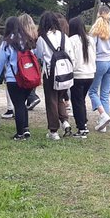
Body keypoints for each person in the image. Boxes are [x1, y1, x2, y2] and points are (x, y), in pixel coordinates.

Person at [0, 16, 34, 140]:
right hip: (29, 77)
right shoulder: (28, 40)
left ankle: (20, 134)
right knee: (22, 104)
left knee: (18, 105)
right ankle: (25, 129)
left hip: (14, 78)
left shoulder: (7, 43)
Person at [35, 11, 71, 140]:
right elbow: (70, 53)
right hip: (65, 73)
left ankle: (53, 130)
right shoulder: (64, 37)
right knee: (60, 98)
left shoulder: (42, 39)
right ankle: (65, 122)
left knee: (51, 101)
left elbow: (39, 55)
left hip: (50, 73)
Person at [88, 6, 110, 133]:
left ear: (98, 14)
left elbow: (91, 47)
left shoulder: (95, 29)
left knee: (93, 91)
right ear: (109, 14)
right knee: (105, 93)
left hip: (99, 61)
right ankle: (104, 124)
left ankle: (103, 115)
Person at [66, 16, 95, 138]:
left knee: (77, 102)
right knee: (81, 100)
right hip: (90, 74)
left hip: (78, 74)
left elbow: (70, 58)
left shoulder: (71, 40)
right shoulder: (90, 39)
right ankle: (84, 123)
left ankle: (82, 128)